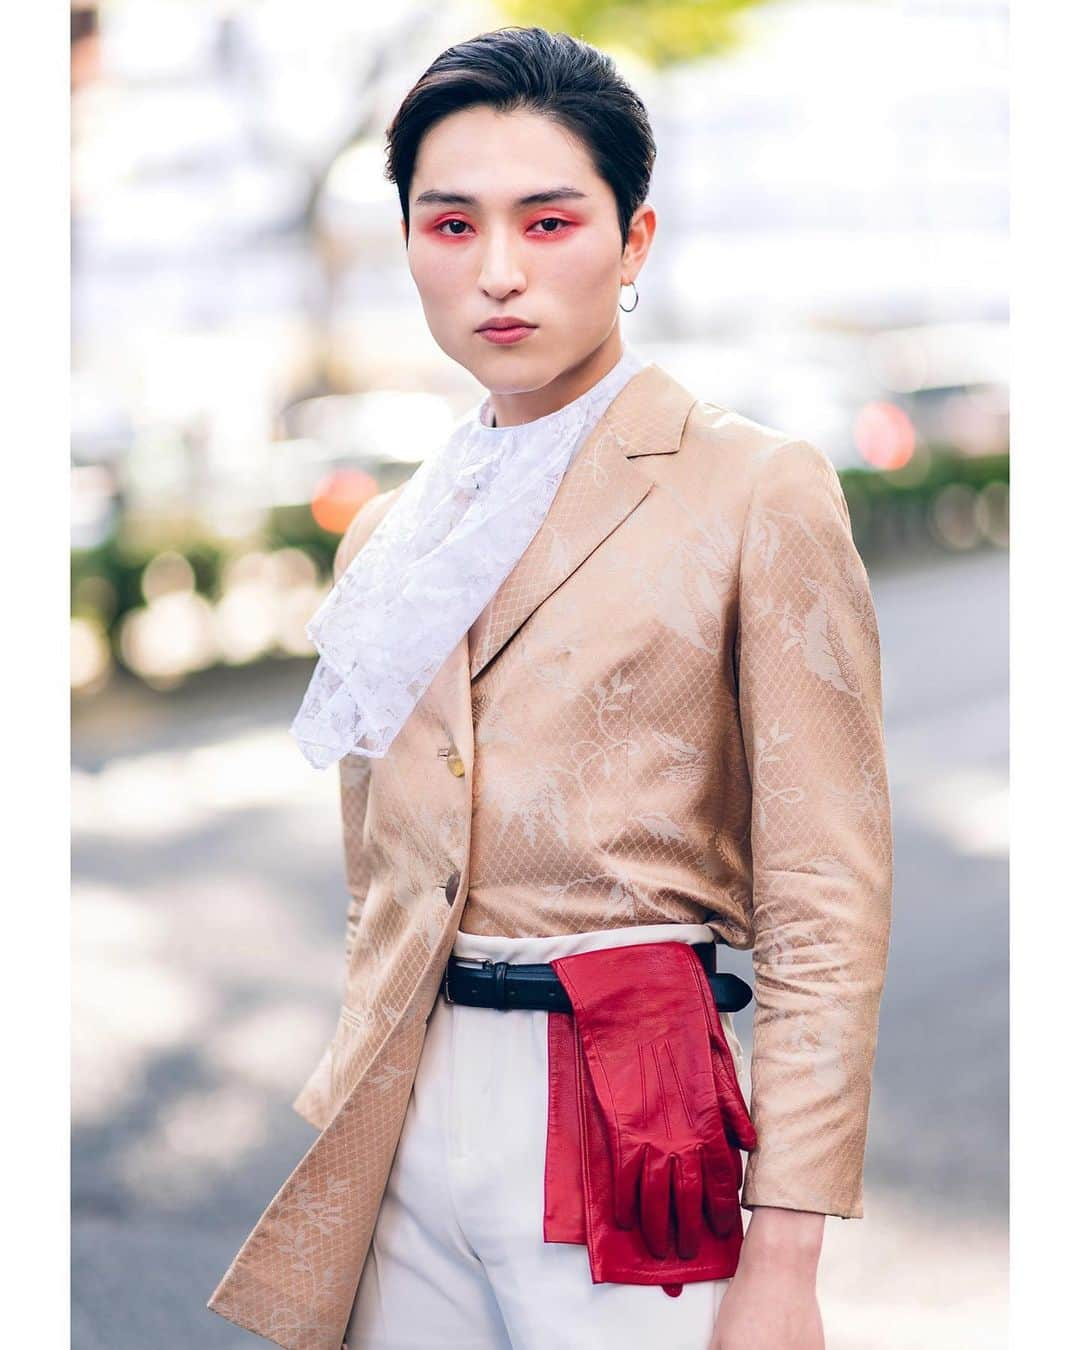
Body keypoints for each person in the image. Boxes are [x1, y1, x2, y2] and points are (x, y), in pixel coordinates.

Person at [208, 25, 892, 1350]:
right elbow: (383, 879)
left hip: (630, 1117)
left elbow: (826, 891)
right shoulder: (390, 538)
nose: (500, 272)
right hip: (406, 1117)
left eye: (549, 219)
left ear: (634, 244)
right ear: (405, 242)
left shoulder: (753, 487)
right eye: (451, 225)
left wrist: (789, 1253)